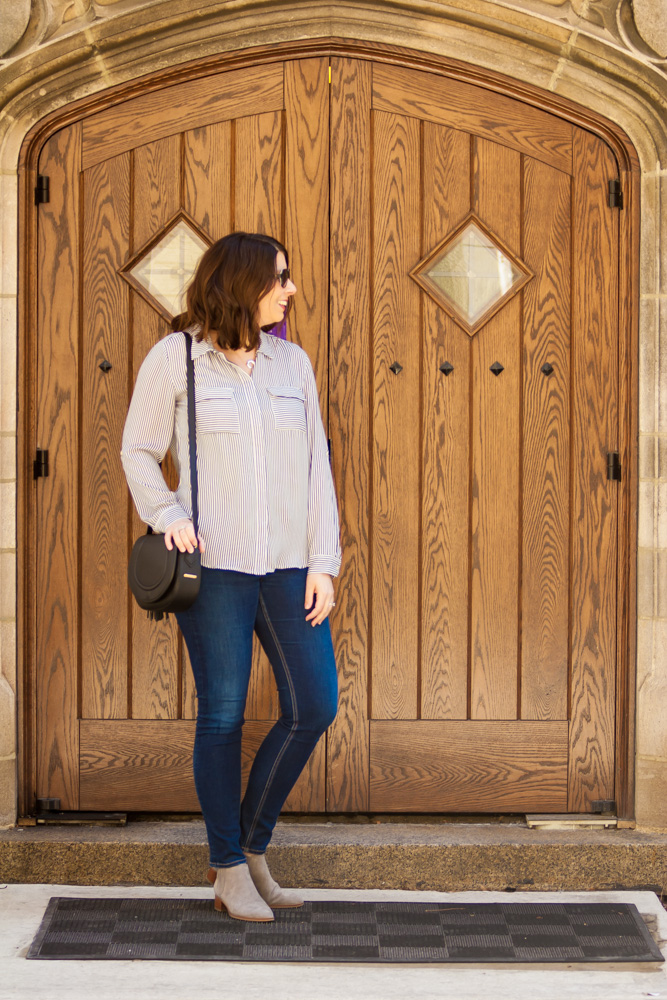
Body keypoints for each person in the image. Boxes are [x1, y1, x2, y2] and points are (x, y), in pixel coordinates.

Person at [121, 232, 341, 922]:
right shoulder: (175, 358)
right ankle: (226, 868)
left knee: (313, 705)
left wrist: (324, 564)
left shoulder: (291, 363)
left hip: (286, 569)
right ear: (241, 283)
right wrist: (164, 514)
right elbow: (138, 449)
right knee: (222, 714)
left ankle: (251, 848)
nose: (290, 288)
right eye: (279, 276)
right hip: (212, 572)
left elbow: (316, 470)